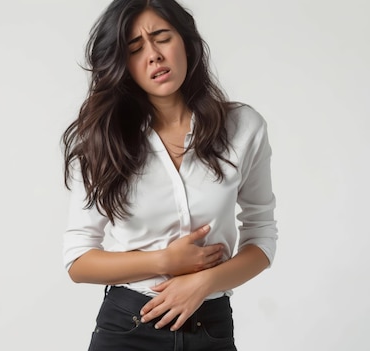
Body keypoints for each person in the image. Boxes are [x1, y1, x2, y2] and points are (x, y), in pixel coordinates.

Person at [61, 0, 278, 349]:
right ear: (122, 65)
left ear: (186, 40)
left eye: (162, 37)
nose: (154, 55)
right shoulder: (102, 141)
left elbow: (262, 235)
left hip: (210, 327)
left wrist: (205, 282)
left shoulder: (243, 127)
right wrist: (164, 261)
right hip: (128, 326)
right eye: (135, 49)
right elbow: (78, 260)